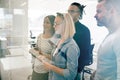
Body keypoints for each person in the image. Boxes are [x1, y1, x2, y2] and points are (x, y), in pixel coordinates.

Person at [38, 12, 80, 80]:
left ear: (65, 25)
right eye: (54, 23)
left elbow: (71, 75)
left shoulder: (71, 47)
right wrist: (45, 59)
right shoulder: (59, 40)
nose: (54, 26)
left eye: (57, 24)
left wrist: (50, 67)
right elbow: (57, 62)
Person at [93, 0, 120, 80]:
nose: (95, 15)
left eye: (99, 11)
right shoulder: (112, 35)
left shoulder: (118, 38)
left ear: (112, 11)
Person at [68, 2, 91, 79]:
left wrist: (78, 70)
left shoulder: (84, 30)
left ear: (79, 14)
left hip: (75, 69)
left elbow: (85, 53)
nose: (69, 13)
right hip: (62, 67)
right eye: (68, 11)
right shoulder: (64, 27)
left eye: (72, 11)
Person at [29, 15, 55, 80]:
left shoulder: (55, 39)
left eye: (47, 23)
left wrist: (42, 53)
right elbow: (37, 50)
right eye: (44, 22)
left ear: (53, 24)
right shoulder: (40, 36)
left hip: (47, 71)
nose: (44, 24)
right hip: (36, 69)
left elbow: (55, 58)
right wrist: (33, 61)